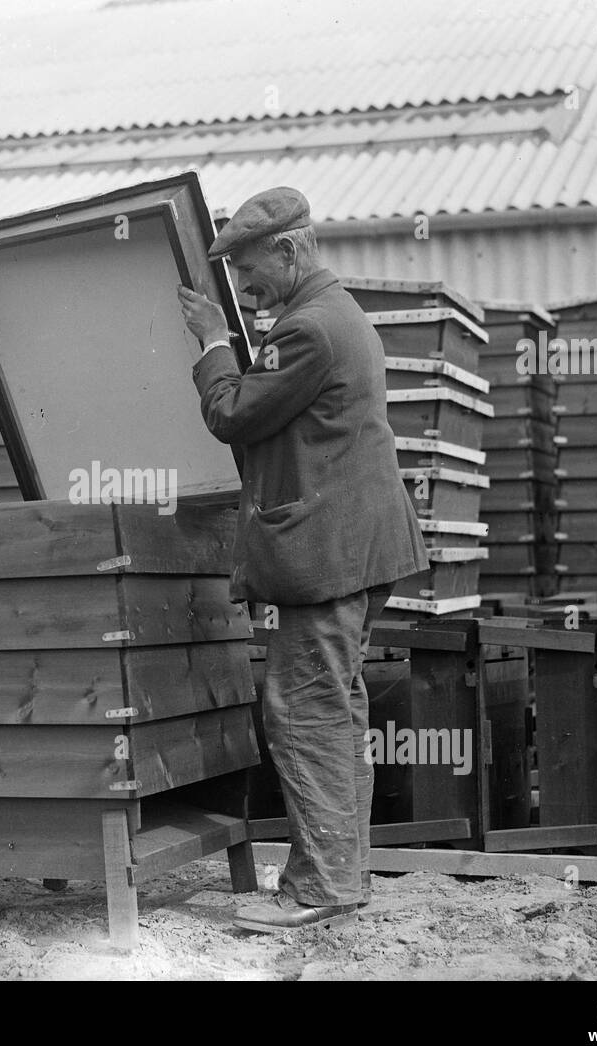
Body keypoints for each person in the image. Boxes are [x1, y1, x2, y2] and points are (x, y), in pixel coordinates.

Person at [177, 188, 428, 931]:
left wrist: (213, 342)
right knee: (338, 710)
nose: (245, 287)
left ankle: (319, 886)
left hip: (327, 557)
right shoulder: (334, 313)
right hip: (357, 550)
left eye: (251, 272)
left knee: (304, 715)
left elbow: (233, 413)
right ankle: (341, 877)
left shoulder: (309, 330)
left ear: (290, 250)